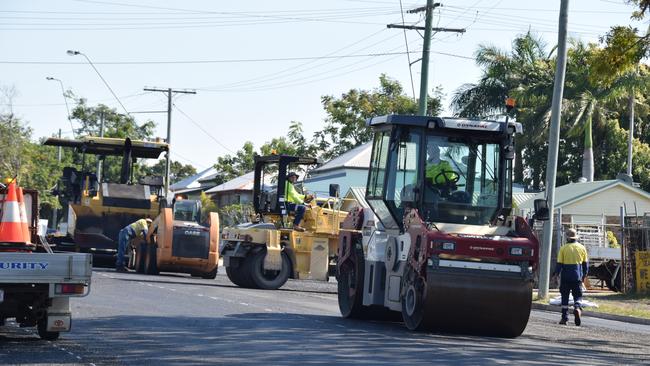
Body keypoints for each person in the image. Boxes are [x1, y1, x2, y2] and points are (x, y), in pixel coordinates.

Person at [552, 228, 589, 326]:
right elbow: (585, 265)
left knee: (565, 296)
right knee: (578, 295)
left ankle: (564, 318)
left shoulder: (563, 248)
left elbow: (559, 264)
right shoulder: (582, 248)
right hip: (577, 276)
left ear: (567, 238)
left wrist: (555, 275)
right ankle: (577, 307)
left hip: (565, 277)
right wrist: (584, 276)